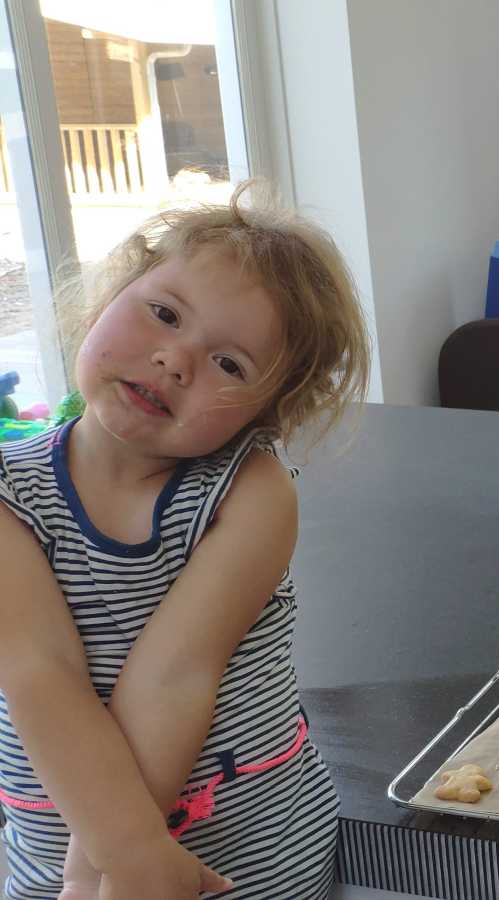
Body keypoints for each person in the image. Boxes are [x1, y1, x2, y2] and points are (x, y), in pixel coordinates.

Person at [0, 183, 370, 899]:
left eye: (230, 364)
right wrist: (117, 866)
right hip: (57, 873)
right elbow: (38, 671)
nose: (175, 360)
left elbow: (174, 677)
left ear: (265, 412)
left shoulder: (249, 493)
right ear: (108, 296)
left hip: (251, 865)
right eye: (164, 313)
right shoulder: (8, 491)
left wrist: (117, 867)